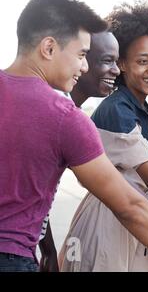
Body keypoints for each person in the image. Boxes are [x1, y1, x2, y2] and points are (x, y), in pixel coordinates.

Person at [0, 0, 148, 272]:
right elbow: (128, 205)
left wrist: (49, 249)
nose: (84, 65)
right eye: (81, 54)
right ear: (49, 48)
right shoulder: (66, 117)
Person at [38, 30, 120, 272]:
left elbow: (39, 194)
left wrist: (48, 251)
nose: (116, 70)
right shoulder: (57, 114)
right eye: (107, 60)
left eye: (117, 61)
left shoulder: (67, 110)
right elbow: (127, 202)